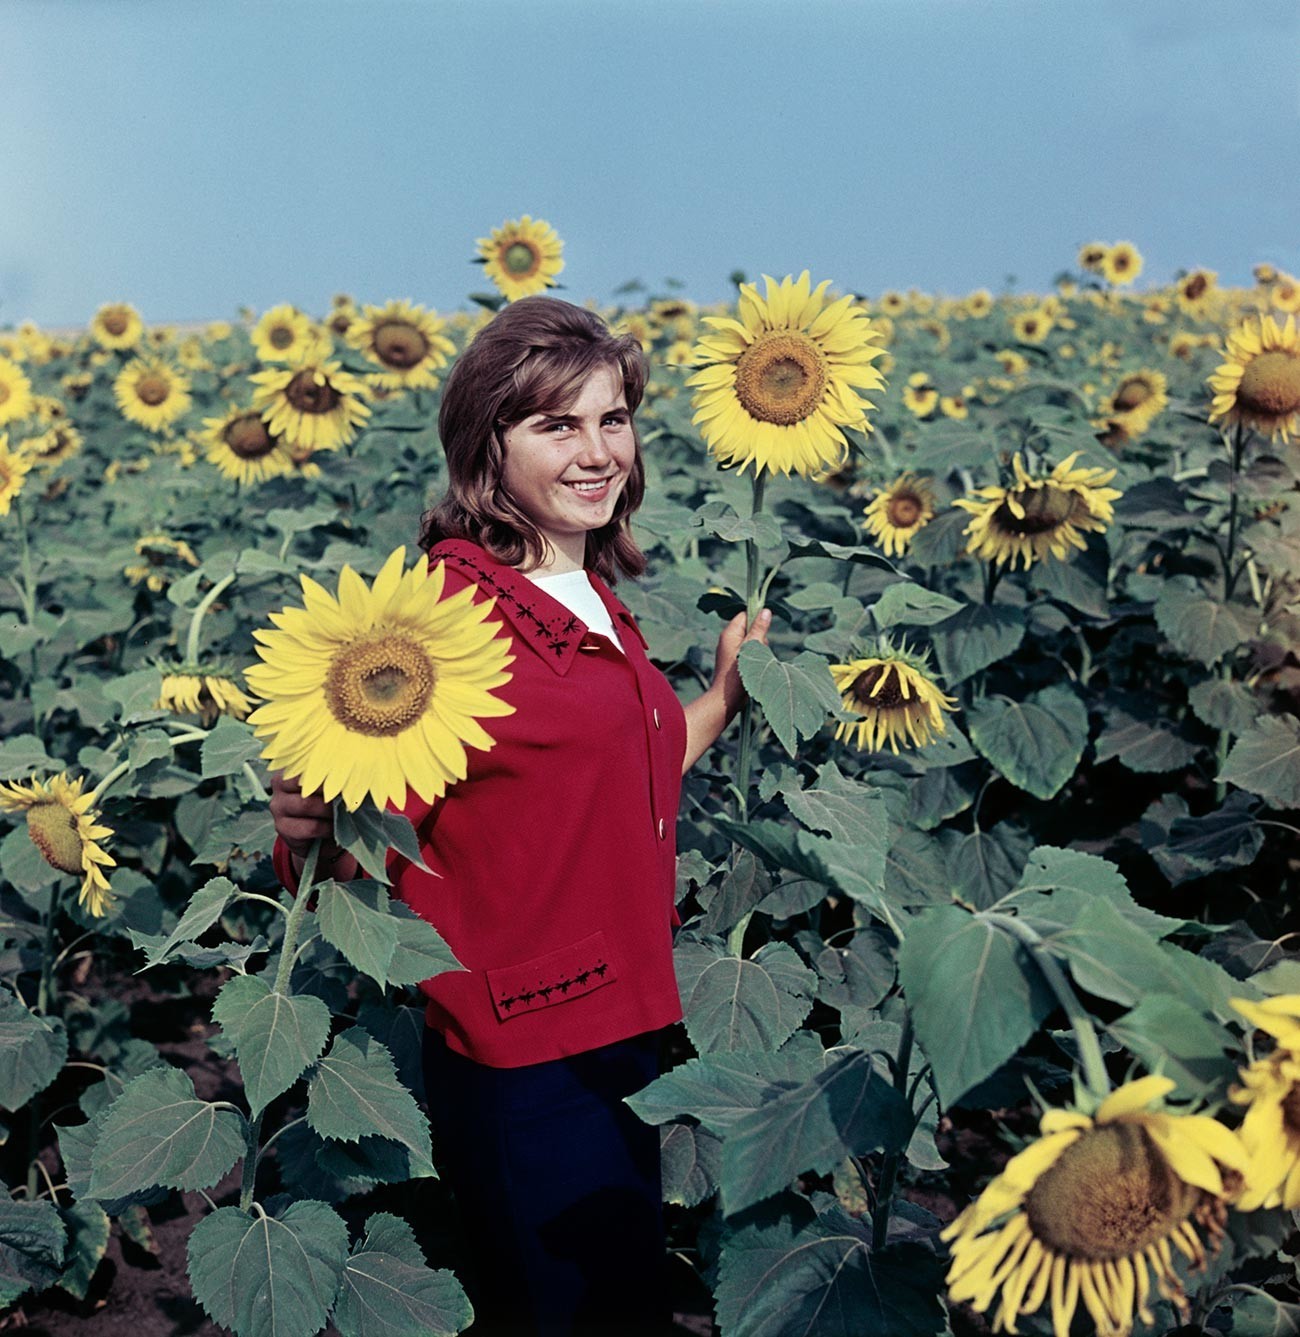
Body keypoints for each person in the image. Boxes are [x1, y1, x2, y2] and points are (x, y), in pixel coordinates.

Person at [268, 295, 771, 1336]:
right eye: (557, 425)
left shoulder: (588, 591)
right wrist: (311, 821)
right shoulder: (445, 625)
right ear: (487, 445)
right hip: (527, 1053)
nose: (597, 453)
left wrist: (719, 695)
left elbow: (619, 770)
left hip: (626, 1023)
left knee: (622, 1302)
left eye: (613, 420)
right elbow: (351, 858)